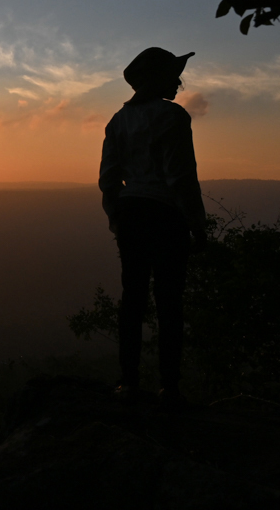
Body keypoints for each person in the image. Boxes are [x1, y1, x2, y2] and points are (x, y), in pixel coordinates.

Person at [98, 47, 207, 411]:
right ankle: (169, 388)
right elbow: (180, 176)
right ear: (158, 79)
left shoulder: (117, 121)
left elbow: (109, 178)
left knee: (133, 298)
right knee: (169, 300)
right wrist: (197, 224)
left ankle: (128, 382)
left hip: (131, 213)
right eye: (174, 75)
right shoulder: (172, 116)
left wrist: (116, 217)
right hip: (165, 215)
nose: (178, 82)